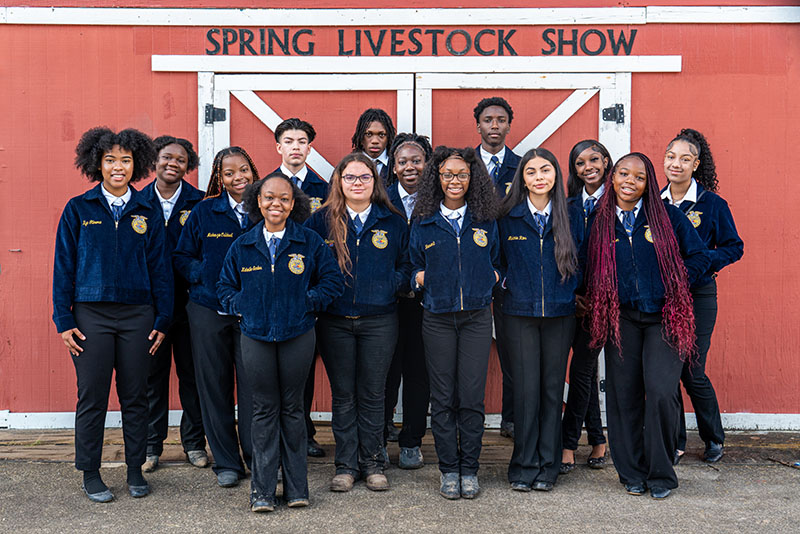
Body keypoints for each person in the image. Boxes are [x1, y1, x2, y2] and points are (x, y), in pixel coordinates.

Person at [53, 127, 172, 502]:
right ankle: (90, 471)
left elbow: (161, 269)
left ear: (136, 165)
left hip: (139, 315)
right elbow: (63, 267)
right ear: (96, 164)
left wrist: (162, 319)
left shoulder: (147, 210)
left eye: (125, 160)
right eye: (110, 160)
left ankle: (136, 470)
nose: (117, 167)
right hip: (91, 316)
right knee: (92, 396)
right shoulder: (79, 208)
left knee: (136, 395)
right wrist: (64, 320)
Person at [585, 153, 710, 500]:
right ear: (612, 178)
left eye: (639, 177)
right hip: (620, 317)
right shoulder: (599, 220)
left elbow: (701, 256)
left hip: (665, 317)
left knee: (659, 391)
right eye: (623, 173)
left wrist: (676, 276)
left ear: (648, 184)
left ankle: (662, 473)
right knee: (623, 396)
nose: (630, 181)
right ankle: (631, 472)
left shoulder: (667, 216)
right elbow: (584, 265)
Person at [217, 173, 343, 512]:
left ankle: (297, 489)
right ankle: (262, 491)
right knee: (263, 411)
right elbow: (224, 289)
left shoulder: (310, 242)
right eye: (270, 197)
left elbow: (332, 282)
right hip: (255, 337)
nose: (277, 204)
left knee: (292, 410)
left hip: (297, 335)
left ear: (294, 203)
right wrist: (243, 305)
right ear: (258, 201)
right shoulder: (242, 246)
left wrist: (308, 301)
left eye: (285, 199)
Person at [307, 153, 412, 492]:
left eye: (364, 177)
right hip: (334, 321)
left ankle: (373, 463)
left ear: (375, 182)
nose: (357, 183)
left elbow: (407, 266)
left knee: (372, 393)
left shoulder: (393, 221)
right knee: (343, 394)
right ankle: (346, 465)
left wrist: (388, 285)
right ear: (338, 182)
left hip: (379, 320)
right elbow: (307, 269)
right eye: (350, 177)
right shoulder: (320, 221)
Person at [409, 146, 500, 500]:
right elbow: (410, 263)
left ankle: (470, 469)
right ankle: (449, 469)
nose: (455, 181)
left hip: (477, 316)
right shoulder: (423, 221)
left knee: (472, 397)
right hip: (437, 317)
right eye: (447, 174)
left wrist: (492, 276)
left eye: (462, 174)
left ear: (473, 178)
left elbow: (501, 260)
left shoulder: (486, 221)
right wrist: (421, 278)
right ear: (437, 178)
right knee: (444, 397)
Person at [498, 148, 582, 492]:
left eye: (545, 170)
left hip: (561, 315)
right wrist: (509, 282)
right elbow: (495, 259)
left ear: (556, 175)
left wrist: (572, 290)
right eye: (531, 172)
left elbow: (587, 258)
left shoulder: (572, 215)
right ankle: (523, 464)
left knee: (550, 390)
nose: (538, 177)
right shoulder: (508, 216)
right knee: (526, 390)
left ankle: (548, 465)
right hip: (519, 313)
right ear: (522, 178)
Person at [173, 146, 258, 488]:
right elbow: (181, 255)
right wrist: (203, 273)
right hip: (208, 309)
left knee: (256, 389)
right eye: (229, 173)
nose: (238, 178)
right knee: (214, 387)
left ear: (253, 170)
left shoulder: (265, 206)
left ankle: (257, 458)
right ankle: (226, 462)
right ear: (218, 179)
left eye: (244, 170)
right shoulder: (205, 211)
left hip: (252, 312)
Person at [662, 128, 744, 464]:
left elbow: (733, 248)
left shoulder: (712, 204)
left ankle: (714, 437)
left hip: (698, 295)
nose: (676, 164)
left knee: (692, 370)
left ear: (696, 164)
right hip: (663, 297)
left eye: (684, 159)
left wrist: (699, 261)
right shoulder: (654, 201)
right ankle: (676, 442)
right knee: (667, 370)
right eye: (670, 157)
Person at [140, 135, 208, 473]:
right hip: (148, 308)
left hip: (190, 305)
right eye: (167, 157)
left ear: (188, 166)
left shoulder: (200, 203)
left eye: (181, 160)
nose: (173, 164)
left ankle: (194, 443)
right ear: (154, 160)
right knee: (152, 378)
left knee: (192, 377)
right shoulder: (135, 203)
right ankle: (151, 447)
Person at [273, 117, 330, 458]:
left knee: (303, 365)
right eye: (289, 141)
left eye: (302, 141)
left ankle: (303, 433)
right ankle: (273, 433)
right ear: (278, 146)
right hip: (276, 288)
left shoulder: (324, 190)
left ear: (310, 147)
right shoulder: (266, 186)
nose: (296, 146)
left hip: (311, 291)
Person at [560, 140, 613, 473]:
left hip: (601, 302)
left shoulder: (617, 203)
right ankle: (597, 438)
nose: (588, 167)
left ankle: (567, 444)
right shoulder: (567, 207)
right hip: (569, 300)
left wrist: (598, 298)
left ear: (606, 162)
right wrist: (571, 296)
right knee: (584, 373)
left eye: (594, 159)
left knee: (580, 369)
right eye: (580, 163)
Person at [383, 133, 434, 469]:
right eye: (402, 161)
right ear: (394, 167)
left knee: (419, 373)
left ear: (428, 165)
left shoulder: (439, 200)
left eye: (417, 160)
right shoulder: (382, 200)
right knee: (385, 372)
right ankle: (379, 434)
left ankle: (412, 440)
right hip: (387, 302)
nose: (410, 166)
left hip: (428, 305)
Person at [473, 96, 521, 439]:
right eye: (488, 119)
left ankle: (512, 417)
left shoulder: (522, 166)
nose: (494, 125)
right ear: (478, 125)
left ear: (508, 125)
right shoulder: (464, 163)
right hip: (470, 264)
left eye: (500, 120)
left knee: (511, 347)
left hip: (509, 267)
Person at [351, 108, 396, 182]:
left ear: (388, 137)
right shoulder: (347, 166)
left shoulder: (397, 166)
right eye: (369, 134)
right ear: (361, 137)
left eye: (381, 135)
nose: (375, 141)